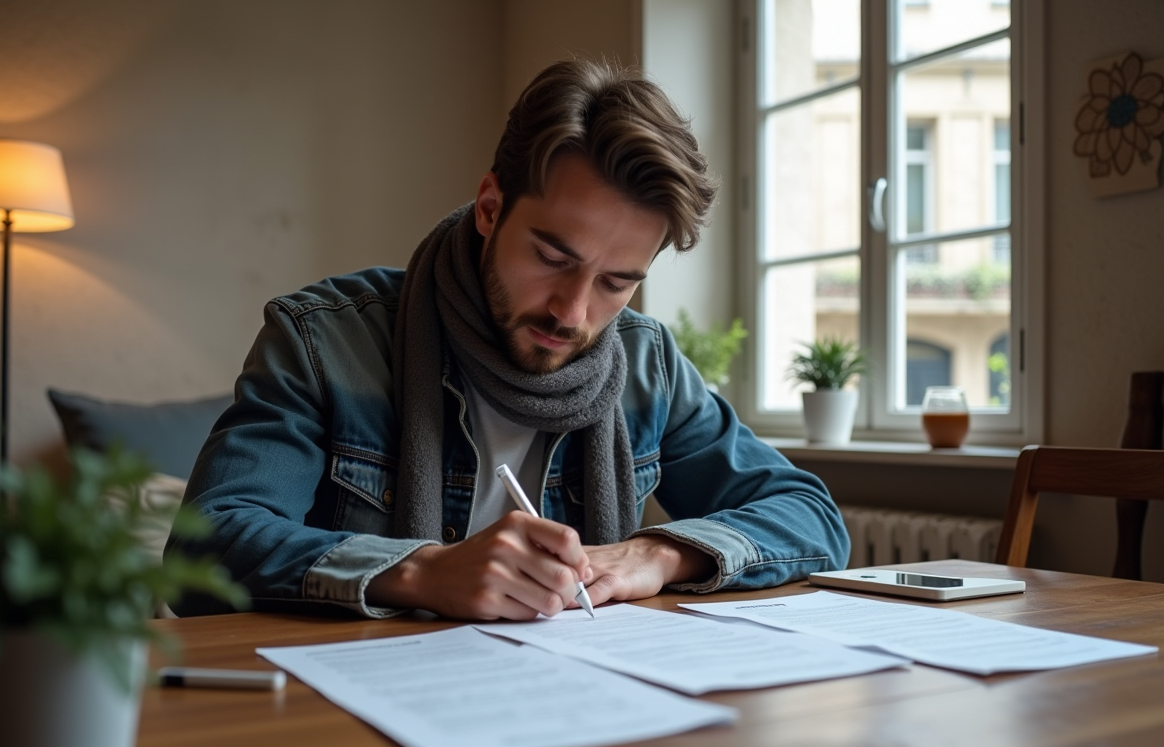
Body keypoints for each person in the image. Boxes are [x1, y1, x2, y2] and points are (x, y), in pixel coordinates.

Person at [166, 59, 849, 620]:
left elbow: (812, 518)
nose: (573, 312)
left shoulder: (648, 365)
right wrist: (422, 571)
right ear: (491, 208)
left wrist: (659, 555)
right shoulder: (324, 342)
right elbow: (207, 547)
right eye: (553, 258)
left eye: (616, 281)